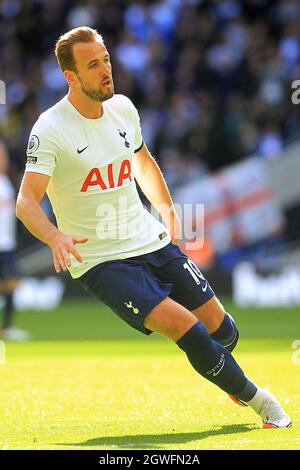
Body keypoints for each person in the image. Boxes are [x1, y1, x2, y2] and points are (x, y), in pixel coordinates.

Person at [16, 26, 291, 428]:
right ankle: (263, 402)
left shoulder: (124, 109)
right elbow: (26, 201)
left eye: (106, 58)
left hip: (148, 238)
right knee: (187, 327)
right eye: (93, 65)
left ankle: (223, 371)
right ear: (70, 76)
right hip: (100, 260)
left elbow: (142, 161)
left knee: (224, 331)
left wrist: (165, 207)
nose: (106, 69)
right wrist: (55, 235)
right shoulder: (51, 128)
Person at [0, 142, 30, 341]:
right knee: (12, 281)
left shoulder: (4, 181)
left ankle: (6, 328)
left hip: (7, 243)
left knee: (13, 281)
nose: (3, 159)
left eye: (3, 155)